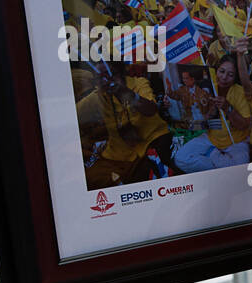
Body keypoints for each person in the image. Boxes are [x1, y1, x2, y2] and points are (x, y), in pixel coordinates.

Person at [76, 58, 177, 188]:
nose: (106, 81)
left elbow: (151, 109)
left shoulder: (138, 83)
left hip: (152, 142)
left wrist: (126, 93)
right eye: (100, 78)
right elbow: (71, 116)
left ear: (120, 73)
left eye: (110, 74)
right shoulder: (98, 96)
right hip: (119, 155)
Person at [172, 54, 252, 172]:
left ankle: (217, 161)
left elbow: (244, 125)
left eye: (230, 75)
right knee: (181, 158)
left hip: (235, 142)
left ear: (235, 77)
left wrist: (228, 108)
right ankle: (220, 161)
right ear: (216, 70)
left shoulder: (239, 92)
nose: (224, 77)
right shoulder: (208, 89)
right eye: (222, 71)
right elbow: (198, 121)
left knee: (241, 166)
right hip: (211, 139)